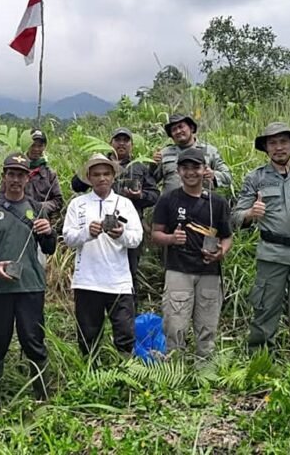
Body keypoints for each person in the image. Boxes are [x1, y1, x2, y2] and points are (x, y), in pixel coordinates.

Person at [232, 123, 290, 358]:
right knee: (266, 309)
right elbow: (235, 216)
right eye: (272, 143)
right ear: (265, 148)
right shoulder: (255, 178)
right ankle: (262, 362)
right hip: (272, 253)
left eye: (283, 142)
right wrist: (250, 214)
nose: (278, 148)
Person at [0, 153, 57, 400]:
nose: (15, 180)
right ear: (4, 176)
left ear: (27, 179)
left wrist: (49, 232)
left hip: (31, 286)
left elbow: (49, 248)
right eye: (11, 174)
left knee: (33, 342)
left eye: (20, 175)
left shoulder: (35, 208)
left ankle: (42, 399)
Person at [151, 148, 232, 359]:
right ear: (178, 171)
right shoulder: (168, 199)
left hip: (210, 271)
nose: (190, 173)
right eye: (185, 168)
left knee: (208, 323)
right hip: (178, 269)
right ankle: (174, 367)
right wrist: (171, 239)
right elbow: (155, 234)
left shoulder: (218, 202)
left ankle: (205, 369)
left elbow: (227, 236)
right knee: (174, 322)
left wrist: (221, 252)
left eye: (195, 167)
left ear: (205, 169)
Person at [63, 154, 143, 357]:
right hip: (87, 281)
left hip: (119, 280)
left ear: (113, 176)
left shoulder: (125, 204)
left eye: (106, 173)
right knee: (88, 335)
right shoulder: (77, 204)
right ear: (89, 177)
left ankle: (126, 373)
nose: (102, 178)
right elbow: (68, 238)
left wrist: (121, 234)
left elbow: (136, 237)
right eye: (96, 174)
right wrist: (87, 233)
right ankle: (91, 374)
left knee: (125, 332)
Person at [70, 128, 158, 298]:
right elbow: (76, 185)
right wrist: (91, 169)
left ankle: (127, 311)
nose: (122, 143)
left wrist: (140, 196)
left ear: (132, 145)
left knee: (130, 270)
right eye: (118, 140)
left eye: (126, 140)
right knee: (95, 268)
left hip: (128, 228)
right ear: (111, 143)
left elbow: (154, 195)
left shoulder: (138, 167)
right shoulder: (99, 165)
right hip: (97, 228)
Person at [153, 114, 232, 194]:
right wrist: (153, 165)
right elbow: (151, 181)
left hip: (202, 202)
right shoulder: (164, 153)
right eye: (174, 129)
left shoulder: (209, 150)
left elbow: (228, 176)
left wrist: (214, 175)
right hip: (171, 203)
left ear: (191, 128)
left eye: (181, 127)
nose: (178, 131)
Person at [0, 129, 64, 223]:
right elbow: (1, 196)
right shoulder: (15, 168)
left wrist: (38, 207)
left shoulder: (50, 174)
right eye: (33, 145)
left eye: (40, 146)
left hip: (41, 221)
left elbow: (58, 201)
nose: (36, 149)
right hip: (15, 218)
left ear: (44, 147)